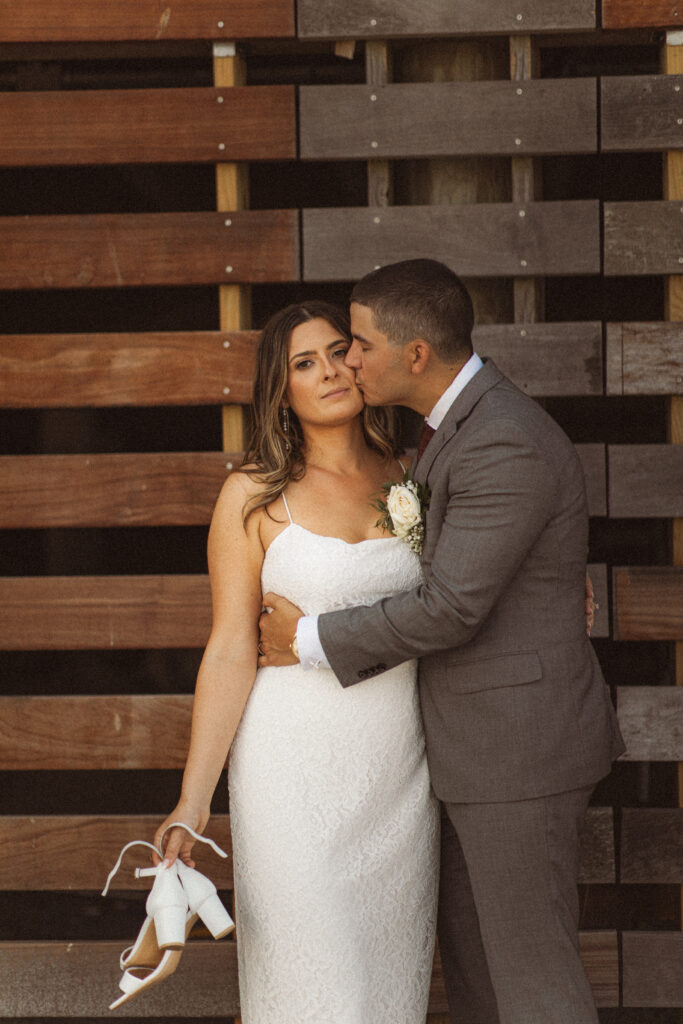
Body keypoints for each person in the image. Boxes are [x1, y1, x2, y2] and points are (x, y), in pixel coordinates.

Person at [259, 260, 626, 1024]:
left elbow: (453, 605)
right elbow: (461, 562)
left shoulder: (499, 439)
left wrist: (311, 638)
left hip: (517, 752)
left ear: (414, 355)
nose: (348, 362)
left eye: (357, 344)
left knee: (534, 984)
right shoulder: (439, 438)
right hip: (463, 754)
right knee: (482, 982)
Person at [154, 300, 440, 1023]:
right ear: (281, 393)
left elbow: (460, 597)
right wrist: (193, 801)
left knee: (383, 989)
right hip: (291, 772)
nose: (331, 372)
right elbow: (227, 649)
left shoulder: (411, 476)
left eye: (339, 351)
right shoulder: (252, 496)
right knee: (322, 979)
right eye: (303, 364)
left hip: (398, 770)